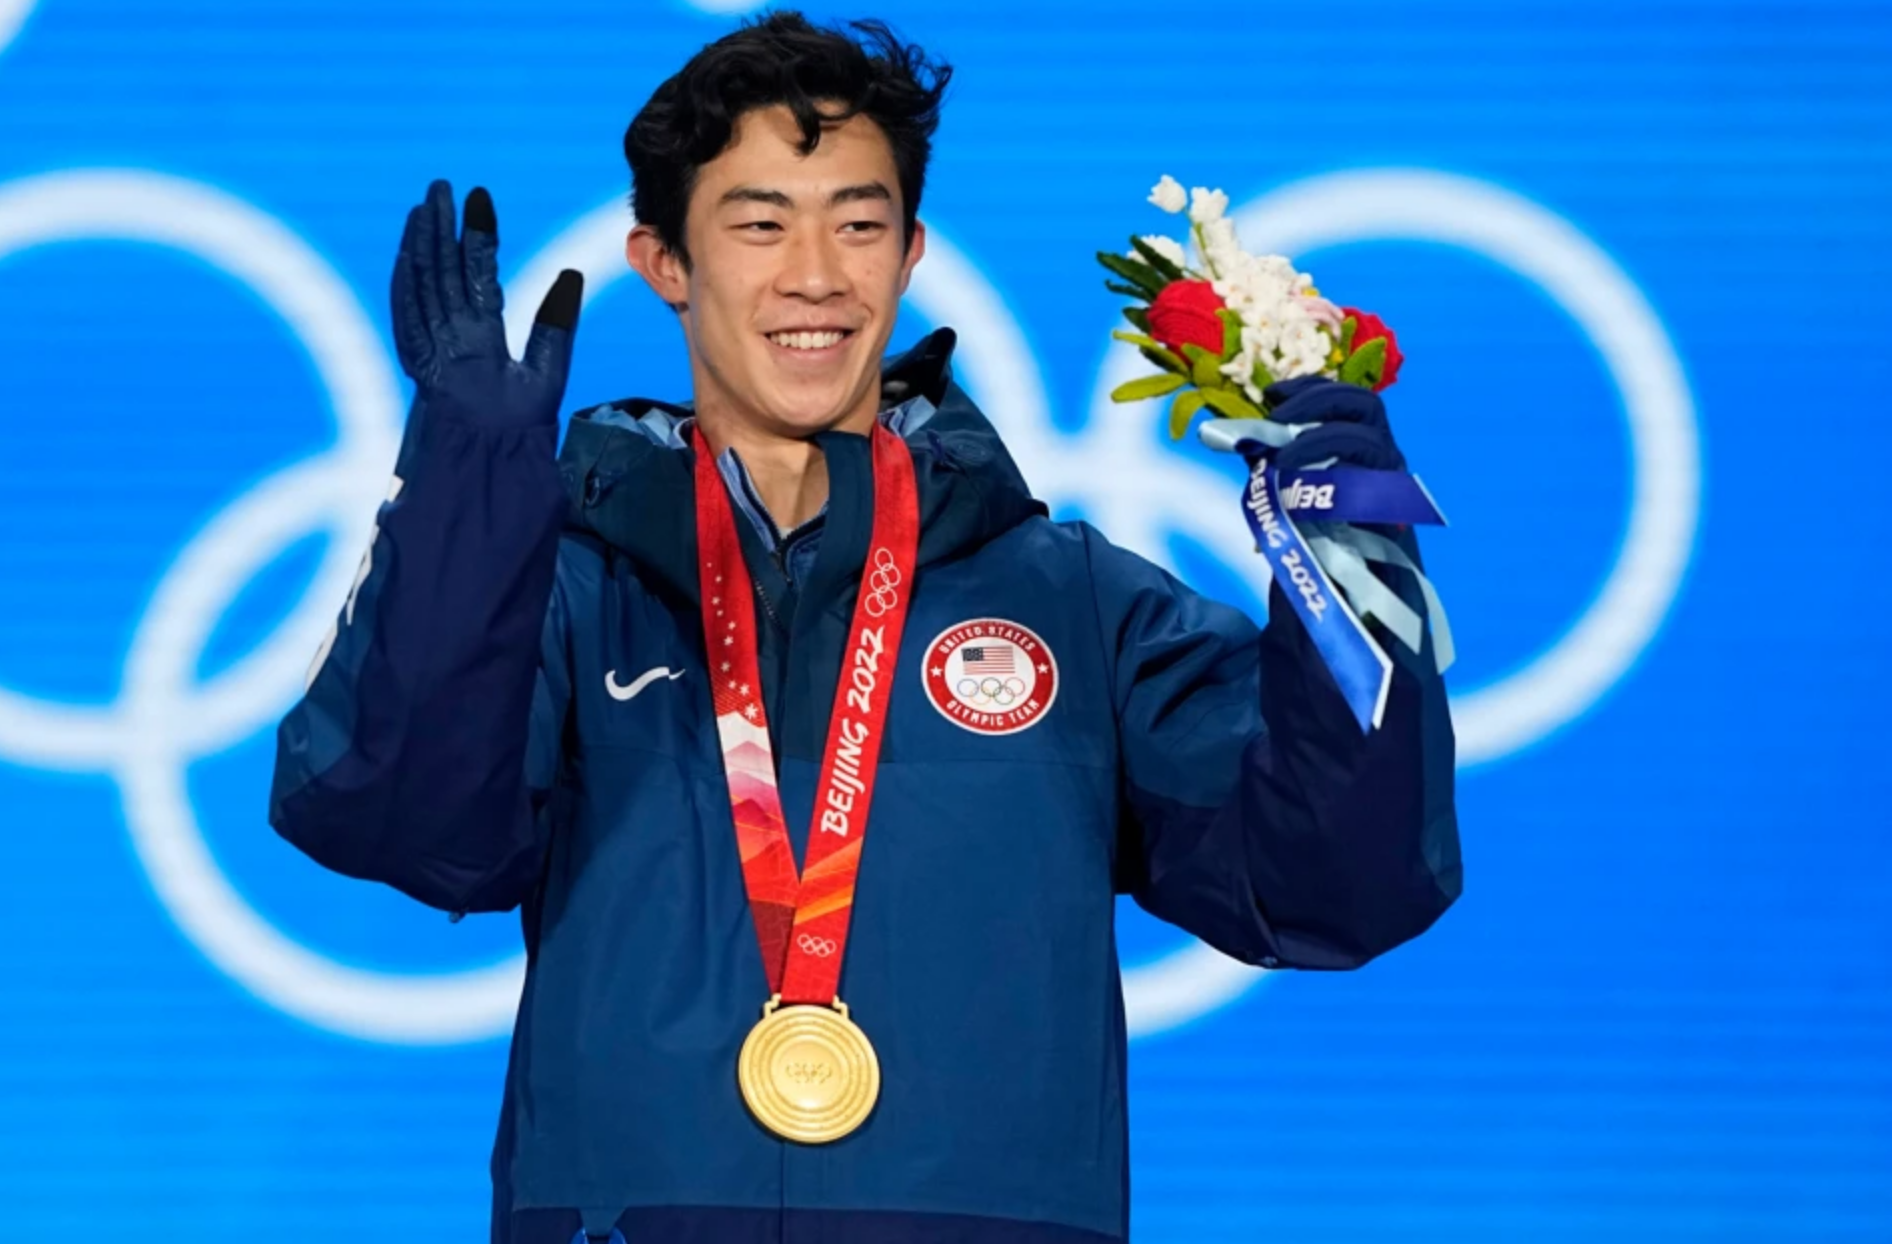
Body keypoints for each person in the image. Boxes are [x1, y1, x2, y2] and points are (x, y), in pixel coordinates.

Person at [270, 12, 1460, 1243]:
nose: (815, 275)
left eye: (857, 221)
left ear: (908, 255)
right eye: (758, 222)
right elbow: (401, 825)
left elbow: (1337, 884)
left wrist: (1351, 558)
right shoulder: (569, 589)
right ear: (663, 261)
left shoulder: (1077, 600)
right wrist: (470, 496)